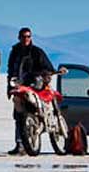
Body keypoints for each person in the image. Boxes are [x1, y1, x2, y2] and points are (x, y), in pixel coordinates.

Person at [6, 27, 54, 156]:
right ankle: (20, 144)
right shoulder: (15, 52)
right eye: (23, 36)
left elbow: (47, 67)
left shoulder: (37, 52)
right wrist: (9, 87)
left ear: (31, 37)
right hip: (19, 87)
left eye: (28, 36)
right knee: (19, 115)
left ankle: (31, 139)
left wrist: (42, 75)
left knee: (35, 111)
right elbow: (10, 70)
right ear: (19, 37)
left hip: (34, 87)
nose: (25, 39)